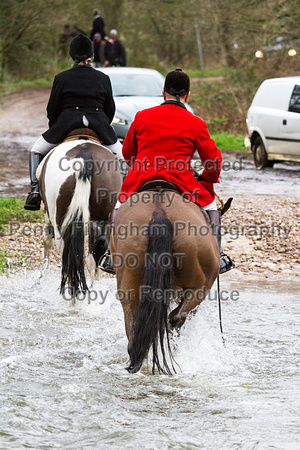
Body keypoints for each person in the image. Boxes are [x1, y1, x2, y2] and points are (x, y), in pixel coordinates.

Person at [99, 68, 235, 275]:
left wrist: (139, 167)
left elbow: (127, 152)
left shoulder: (142, 116)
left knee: (118, 208)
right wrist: (207, 179)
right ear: (187, 95)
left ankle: (110, 254)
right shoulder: (196, 123)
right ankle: (219, 255)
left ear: (164, 93)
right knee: (212, 209)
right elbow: (213, 161)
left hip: (140, 179)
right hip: (182, 181)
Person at [24, 34, 123, 211]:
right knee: (121, 155)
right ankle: (123, 197)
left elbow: (52, 110)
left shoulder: (61, 78)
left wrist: (56, 126)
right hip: (98, 125)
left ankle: (34, 192)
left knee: (36, 150)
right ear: (92, 56)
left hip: (67, 124)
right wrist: (102, 124)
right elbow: (110, 110)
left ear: (71, 57)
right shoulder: (103, 78)